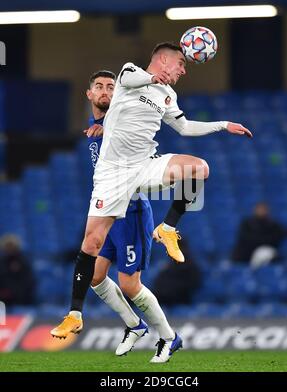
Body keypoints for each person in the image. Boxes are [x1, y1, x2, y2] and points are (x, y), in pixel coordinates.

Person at [51, 42, 252, 359]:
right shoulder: (131, 72)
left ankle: (168, 227)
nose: (183, 71)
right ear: (164, 60)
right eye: (181, 64)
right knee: (91, 245)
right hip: (113, 174)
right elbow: (129, 81)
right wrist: (151, 78)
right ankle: (74, 314)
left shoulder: (168, 95)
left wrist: (223, 125)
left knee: (199, 168)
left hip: (145, 165)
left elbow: (184, 126)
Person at [51, 70, 182, 363]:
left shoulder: (119, 116)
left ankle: (169, 336)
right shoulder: (94, 124)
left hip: (132, 211)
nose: (105, 91)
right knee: (96, 277)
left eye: (111, 86)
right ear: (89, 95)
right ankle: (135, 326)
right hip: (109, 209)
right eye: (98, 87)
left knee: (129, 285)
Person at [231, 202, 287, 267]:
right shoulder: (247, 224)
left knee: (267, 253)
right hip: (245, 255)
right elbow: (247, 239)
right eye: (260, 209)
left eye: (264, 209)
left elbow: (284, 233)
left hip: (263, 253)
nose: (262, 211)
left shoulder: (272, 225)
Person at [152, 239, 201, 306]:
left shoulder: (191, 267)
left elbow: (193, 284)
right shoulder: (170, 266)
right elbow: (158, 282)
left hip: (179, 299)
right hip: (163, 296)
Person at [0, 234, 35, 306]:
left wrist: (14, 292)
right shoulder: (2, 261)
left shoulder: (23, 261)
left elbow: (28, 281)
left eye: (11, 246)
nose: (9, 248)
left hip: (21, 297)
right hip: (4, 297)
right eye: (7, 246)